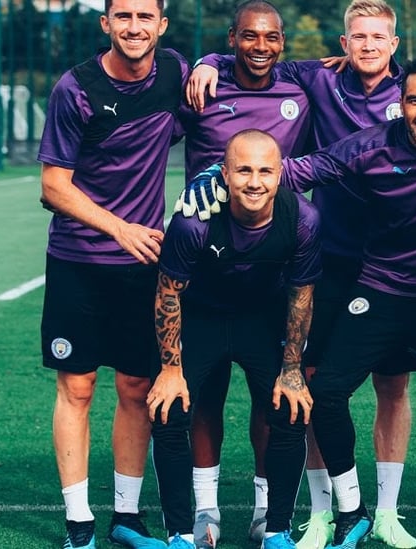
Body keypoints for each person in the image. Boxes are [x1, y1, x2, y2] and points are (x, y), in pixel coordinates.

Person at [182, 4, 416, 548]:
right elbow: (294, 154)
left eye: (379, 36)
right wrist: (222, 169)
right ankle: (340, 511)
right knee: (316, 387)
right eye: (360, 35)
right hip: (353, 272)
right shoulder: (341, 105)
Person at [274, 53, 416, 549]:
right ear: (399, 104)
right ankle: (352, 510)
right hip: (381, 289)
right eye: (414, 100)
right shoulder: (370, 146)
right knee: (327, 392)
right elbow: (302, 169)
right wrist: (222, 174)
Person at [36, 0, 188, 547]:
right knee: (78, 388)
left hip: (143, 265)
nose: (133, 27)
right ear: (106, 24)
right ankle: (79, 522)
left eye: (145, 17)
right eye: (122, 16)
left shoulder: (175, 71)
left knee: (136, 386)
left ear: (161, 26)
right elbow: (53, 186)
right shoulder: (74, 90)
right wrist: (120, 227)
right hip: (79, 260)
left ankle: (127, 517)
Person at [161, 3, 313, 547]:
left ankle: (266, 512)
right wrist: (206, 61)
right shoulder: (203, 86)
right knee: (202, 401)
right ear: (233, 40)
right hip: (205, 271)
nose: (260, 45)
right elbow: (155, 133)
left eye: (271, 37)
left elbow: (357, 90)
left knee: (273, 402)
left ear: (282, 42)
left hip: (267, 277)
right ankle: (205, 512)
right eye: (248, 37)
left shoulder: (301, 90)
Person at [148, 129, 321, 549]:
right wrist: (171, 369)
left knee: (290, 407)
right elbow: (168, 292)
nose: (255, 181)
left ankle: (276, 527)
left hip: (261, 319)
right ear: (224, 174)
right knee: (169, 409)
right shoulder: (193, 222)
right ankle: (182, 532)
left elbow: (301, 296)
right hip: (203, 318)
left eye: (265, 170)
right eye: (243, 170)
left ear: (281, 175)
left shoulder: (302, 219)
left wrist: (293, 369)